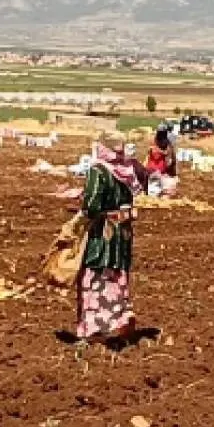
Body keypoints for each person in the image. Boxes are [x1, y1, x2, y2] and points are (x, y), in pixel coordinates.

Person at [62, 143, 140, 343]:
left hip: (102, 234)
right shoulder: (126, 170)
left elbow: (92, 206)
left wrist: (79, 213)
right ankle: (120, 316)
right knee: (116, 274)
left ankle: (95, 329)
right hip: (122, 234)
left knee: (95, 275)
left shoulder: (99, 171)